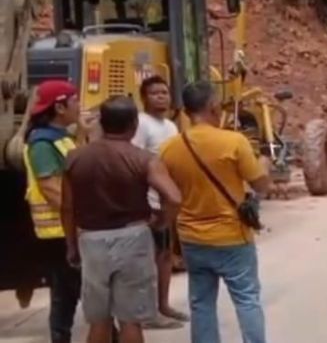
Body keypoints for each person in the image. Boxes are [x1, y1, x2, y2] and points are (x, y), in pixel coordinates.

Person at [61, 96, 183, 343]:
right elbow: (174, 197)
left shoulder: (75, 158)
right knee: (131, 320)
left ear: (102, 123)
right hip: (133, 238)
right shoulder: (144, 159)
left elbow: (67, 208)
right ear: (134, 124)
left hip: (91, 239)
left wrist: (72, 245)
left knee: (99, 320)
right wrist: (161, 221)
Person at [159, 81, 271, 343]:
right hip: (232, 237)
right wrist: (264, 163)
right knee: (247, 300)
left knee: (201, 303)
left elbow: (170, 195)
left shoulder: (169, 148)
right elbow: (260, 184)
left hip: (192, 239)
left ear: (185, 112)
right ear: (213, 106)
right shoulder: (234, 142)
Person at [22, 80, 84, 343]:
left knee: (80, 293)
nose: (79, 105)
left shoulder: (62, 138)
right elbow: (51, 188)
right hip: (58, 233)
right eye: (75, 100)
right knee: (64, 295)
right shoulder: (42, 144)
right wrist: (84, 217)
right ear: (60, 107)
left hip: (69, 229)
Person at [131, 75, 188, 328]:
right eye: (155, 93)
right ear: (144, 98)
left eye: (164, 92)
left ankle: (163, 305)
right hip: (150, 203)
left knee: (165, 256)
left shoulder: (171, 126)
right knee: (147, 260)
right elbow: (135, 161)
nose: (161, 97)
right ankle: (146, 313)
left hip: (167, 202)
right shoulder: (141, 124)